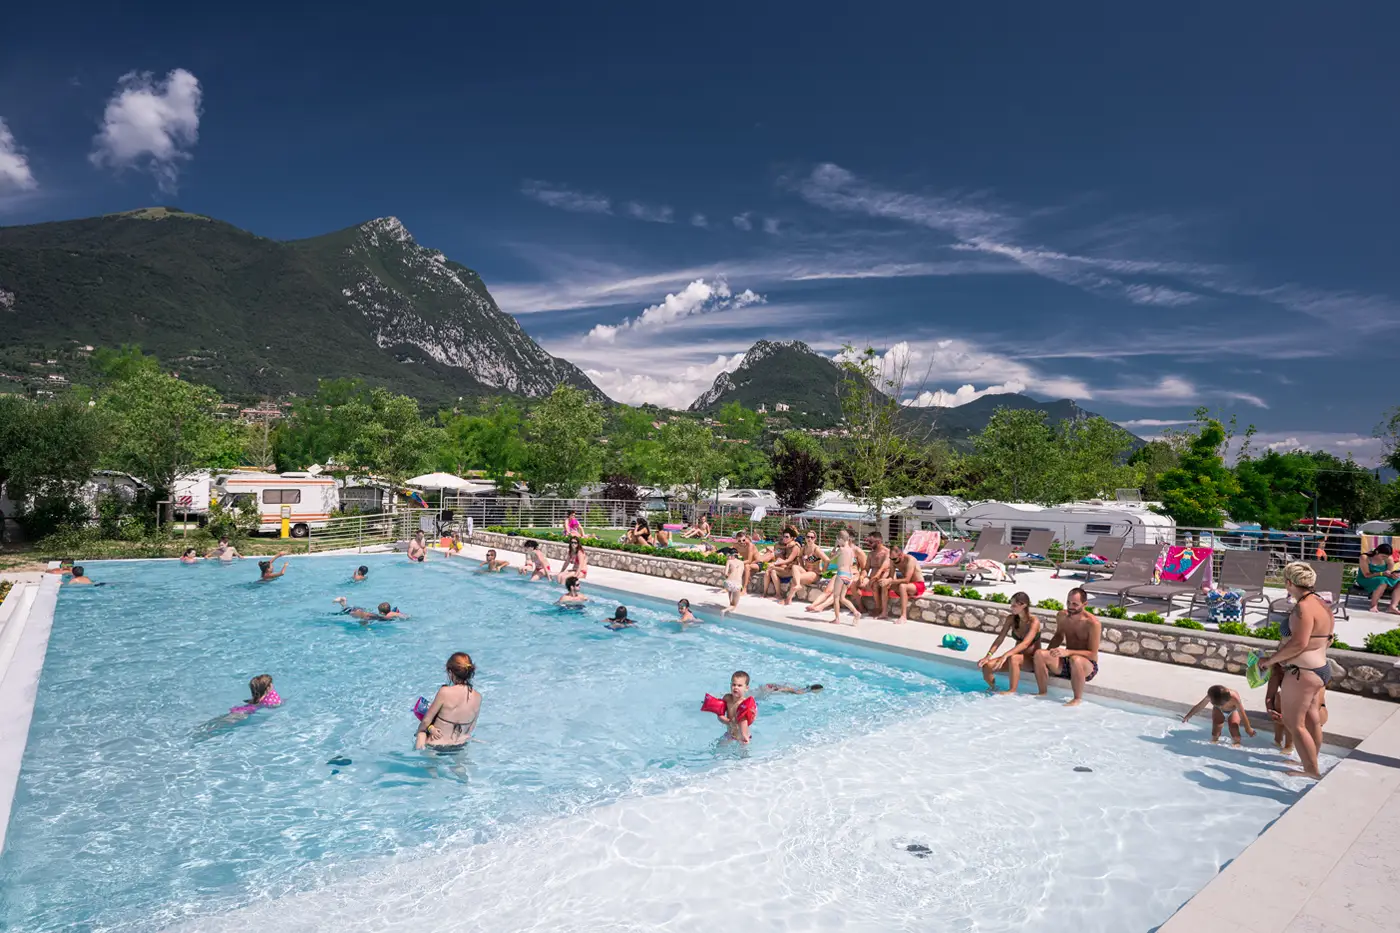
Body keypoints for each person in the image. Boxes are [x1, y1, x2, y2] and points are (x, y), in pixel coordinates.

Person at [1259, 561, 1334, 779]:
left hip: (1303, 672)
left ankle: (1311, 771)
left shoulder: (1303, 607)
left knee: (1294, 724)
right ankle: (1311, 762)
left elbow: (1298, 643)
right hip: (1320, 668)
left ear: (1290, 582)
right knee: (1312, 720)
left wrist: (1270, 661)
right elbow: (1326, 639)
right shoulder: (1322, 603)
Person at [1032, 587, 1100, 706]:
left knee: (1076, 659)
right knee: (1039, 654)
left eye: (1075, 604)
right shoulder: (1062, 616)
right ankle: (1042, 692)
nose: (1070, 606)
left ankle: (1077, 699)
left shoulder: (1092, 624)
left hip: (1086, 666)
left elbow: (1093, 655)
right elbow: (1058, 636)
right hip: (1067, 661)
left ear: (1085, 604)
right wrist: (1048, 655)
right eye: (1068, 602)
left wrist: (1068, 652)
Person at [978, 592, 1041, 693]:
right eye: (1011, 605)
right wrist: (988, 656)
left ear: (1023, 605)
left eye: (1014, 605)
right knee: (987, 666)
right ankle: (993, 689)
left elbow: (1025, 643)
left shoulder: (1034, 621)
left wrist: (1005, 655)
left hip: (1032, 660)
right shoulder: (1011, 618)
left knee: (1013, 658)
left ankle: (1012, 691)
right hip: (1015, 657)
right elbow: (1000, 638)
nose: (1011, 608)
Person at [415, 652, 481, 749]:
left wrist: (421, 732)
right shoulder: (478, 697)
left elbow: (425, 722)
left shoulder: (444, 692)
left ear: (450, 672)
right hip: (459, 746)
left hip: (435, 745)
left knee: (421, 734)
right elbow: (470, 728)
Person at [1182, 685, 1256, 746]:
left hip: (1233, 710)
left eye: (1220, 704)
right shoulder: (1211, 695)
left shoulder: (1234, 697)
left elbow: (1242, 713)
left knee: (1234, 727)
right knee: (1216, 729)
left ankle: (1237, 743)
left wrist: (1248, 728)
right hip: (1218, 710)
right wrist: (1189, 715)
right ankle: (1215, 741)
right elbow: (1200, 706)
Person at [886, 544, 926, 623]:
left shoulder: (910, 560)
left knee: (902, 586)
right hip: (908, 585)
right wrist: (885, 581)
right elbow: (891, 576)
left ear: (901, 555)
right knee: (885, 585)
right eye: (891, 558)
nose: (892, 560)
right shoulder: (893, 560)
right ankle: (883, 612)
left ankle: (903, 616)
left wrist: (890, 581)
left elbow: (907, 580)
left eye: (894, 558)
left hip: (918, 585)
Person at [829, 528, 862, 625]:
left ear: (840, 540)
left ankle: (837, 619)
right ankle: (856, 612)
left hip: (841, 574)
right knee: (842, 598)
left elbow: (830, 558)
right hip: (848, 576)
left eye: (837, 540)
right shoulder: (852, 551)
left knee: (836, 597)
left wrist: (834, 547)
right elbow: (851, 563)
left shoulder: (841, 549)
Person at [1356, 542, 1400, 614]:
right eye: (1383, 556)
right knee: (1382, 580)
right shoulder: (1365, 557)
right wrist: (1381, 573)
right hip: (1366, 579)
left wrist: (1393, 575)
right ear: (1377, 552)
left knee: (1397, 580)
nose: (1385, 558)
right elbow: (1366, 575)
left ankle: (1393, 606)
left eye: (1386, 557)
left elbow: (1390, 572)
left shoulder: (1388, 559)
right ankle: (1373, 605)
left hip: (1383, 578)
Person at [764, 529, 804, 602]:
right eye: (783, 536)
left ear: (792, 538)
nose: (784, 538)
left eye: (786, 537)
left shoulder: (795, 547)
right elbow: (778, 552)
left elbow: (789, 560)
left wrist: (775, 564)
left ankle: (778, 594)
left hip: (791, 570)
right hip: (784, 568)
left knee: (772, 570)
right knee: (769, 571)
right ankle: (765, 593)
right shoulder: (785, 546)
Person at [860, 533, 892, 616]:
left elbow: (884, 567)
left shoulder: (887, 552)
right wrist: (862, 576)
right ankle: (861, 607)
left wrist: (875, 577)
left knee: (876, 584)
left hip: (884, 575)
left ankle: (879, 608)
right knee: (858, 583)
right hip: (874, 578)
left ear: (878, 542)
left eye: (871, 542)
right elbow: (866, 569)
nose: (869, 544)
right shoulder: (871, 554)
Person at [719, 671, 755, 743]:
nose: (735, 687)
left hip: (742, 737)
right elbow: (719, 714)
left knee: (743, 753)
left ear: (746, 688)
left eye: (739, 685)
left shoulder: (744, 704)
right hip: (729, 735)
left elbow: (745, 722)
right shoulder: (727, 698)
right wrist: (728, 721)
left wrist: (745, 737)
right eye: (733, 684)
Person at [333, 597, 407, 622]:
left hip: (359, 612)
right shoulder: (389, 615)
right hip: (356, 612)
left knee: (347, 609)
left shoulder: (379, 616)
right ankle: (343, 601)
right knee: (346, 610)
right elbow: (364, 618)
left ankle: (343, 602)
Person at [721, 548, 745, 615]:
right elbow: (741, 574)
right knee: (734, 605)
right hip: (737, 584)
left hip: (728, 583)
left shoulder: (729, 561)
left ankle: (729, 608)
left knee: (731, 602)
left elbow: (725, 573)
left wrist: (727, 576)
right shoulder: (742, 563)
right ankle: (724, 611)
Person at [756, 683, 823, 698]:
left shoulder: (805, 689)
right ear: (815, 690)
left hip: (779, 686)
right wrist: (780, 689)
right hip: (778, 688)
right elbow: (790, 689)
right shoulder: (802, 692)